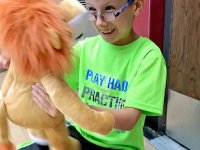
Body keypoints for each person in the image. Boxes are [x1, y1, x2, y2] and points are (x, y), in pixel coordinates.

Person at [0, 0, 167, 149]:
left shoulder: (148, 57)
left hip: (118, 146)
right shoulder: (85, 48)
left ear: (136, 6)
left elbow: (129, 119)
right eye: (92, 11)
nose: (100, 22)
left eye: (109, 9)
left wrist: (73, 109)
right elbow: (46, 69)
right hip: (77, 135)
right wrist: (15, 52)